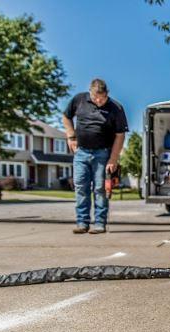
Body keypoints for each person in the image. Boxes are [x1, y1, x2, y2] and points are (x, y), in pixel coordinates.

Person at [62, 79, 128, 234]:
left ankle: (99, 223)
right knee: (81, 187)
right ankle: (82, 223)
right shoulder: (79, 100)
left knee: (100, 189)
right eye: (95, 98)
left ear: (107, 94)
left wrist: (113, 159)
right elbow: (66, 117)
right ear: (89, 93)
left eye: (102, 98)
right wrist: (71, 137)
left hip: (102, 153)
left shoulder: (116, 108)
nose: (99, 101)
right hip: (81, 152)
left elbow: (120, 135)